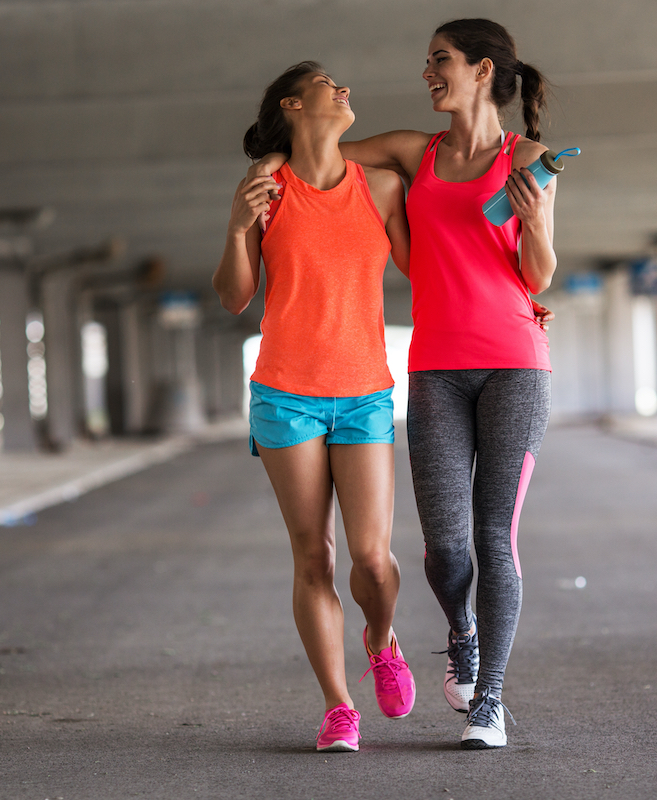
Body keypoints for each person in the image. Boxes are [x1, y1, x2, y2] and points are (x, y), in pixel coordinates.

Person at [248, 19, 557, 749]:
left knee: (495, 536)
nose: (427, 72)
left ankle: (490, 702)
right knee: (447, 552)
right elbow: (317, 156)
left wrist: (536, 222)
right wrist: (264, 178)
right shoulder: (409, 153)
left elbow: (539, 273)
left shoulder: (532, 157)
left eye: (440, 60)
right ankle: (460, 629)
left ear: (483, 72)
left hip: (516, 358)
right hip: (434, 367)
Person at [213, 61, 415, 753]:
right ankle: (338, 706)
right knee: (313, 556)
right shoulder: (264, 188)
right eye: (330, 83)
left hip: (364, 395)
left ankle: (382, 641)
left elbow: (432, 268)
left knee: (373, 558)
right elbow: (234, 296)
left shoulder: (382, 187)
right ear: (292, 104)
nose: (346, 88)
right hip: (284, 396)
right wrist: (240, 227)